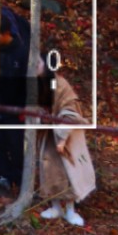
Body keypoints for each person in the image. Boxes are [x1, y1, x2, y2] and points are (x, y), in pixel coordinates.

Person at [0, 0, 33, 199]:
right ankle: (3, 177)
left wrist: (25, 108)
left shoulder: (23, 54)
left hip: (15, 111)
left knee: (16, 146)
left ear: (6, 34)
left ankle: (21, 180)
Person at [37, 73, 93, 226]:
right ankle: (55, 207)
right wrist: (42, 117)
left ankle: (70, 209)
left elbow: (69, 109)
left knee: (68, 171)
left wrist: (62, 138)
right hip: (47, 134)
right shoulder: (33, 82)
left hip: (65, 135)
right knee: (49, 170)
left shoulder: (60, 83)